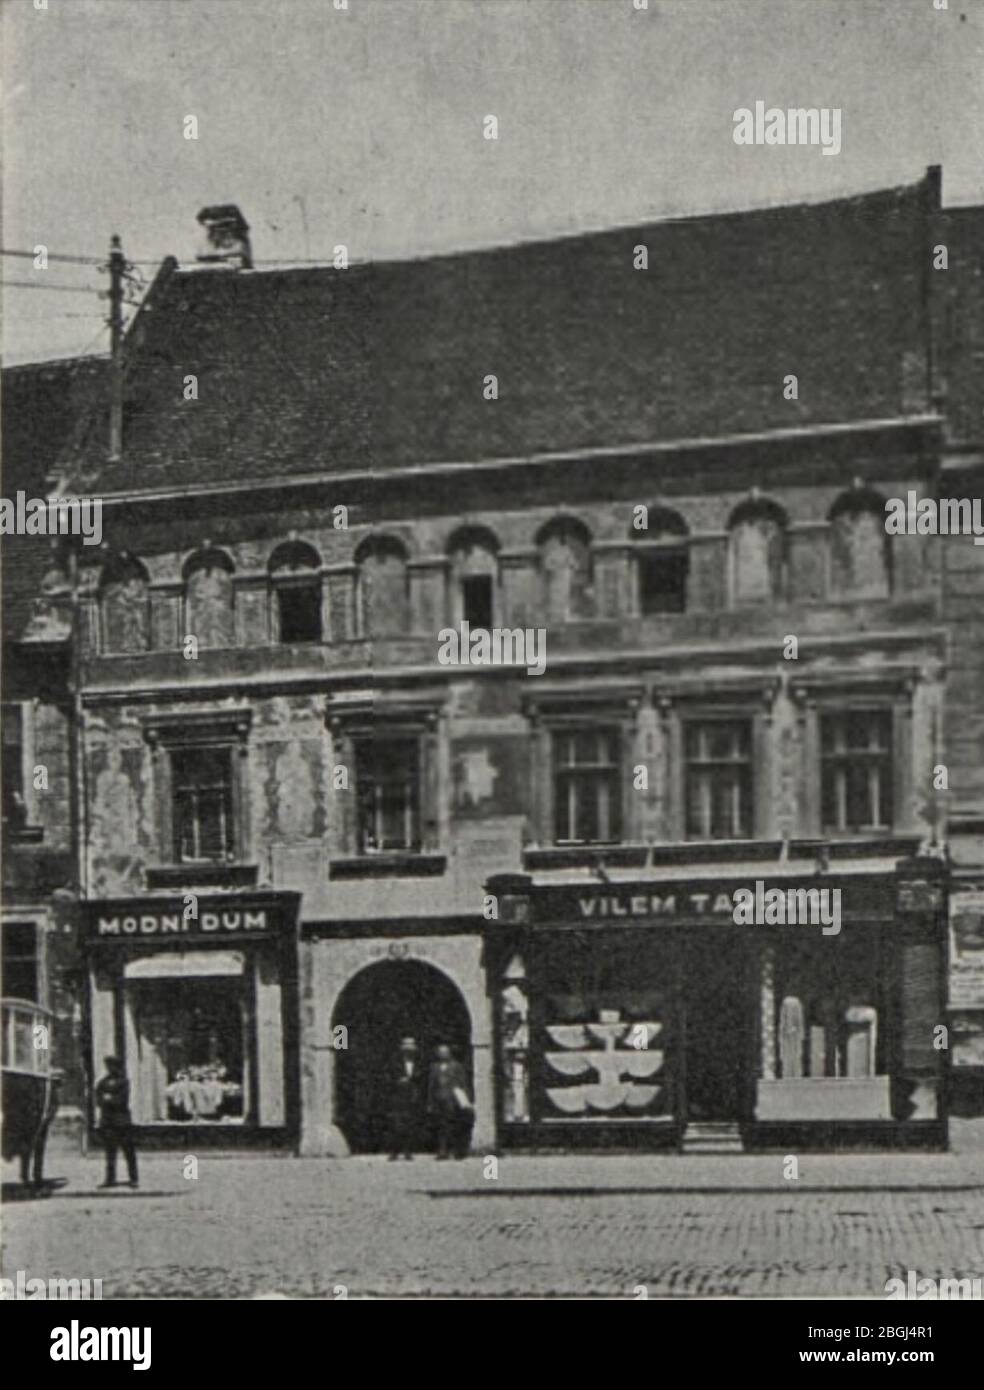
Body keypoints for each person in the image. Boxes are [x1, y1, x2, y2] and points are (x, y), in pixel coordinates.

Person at [94, 1056, 139, 1189]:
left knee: (128, 1151)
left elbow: (122, 1100)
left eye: (112, 1066)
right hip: (108, 1122)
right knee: (110, 1152)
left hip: (122, 1121)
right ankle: (110, 1179)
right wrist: (107, 1099)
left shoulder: (124, 1082)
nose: (110, 1068)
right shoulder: (102, 1082)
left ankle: (133, 1178)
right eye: (108, 1066)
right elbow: (98, 1100)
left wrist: (109, 1099)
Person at [427, 1043, 473, 1160]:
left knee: (454, 1126)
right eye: (441, 1052)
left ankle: (457, 1151)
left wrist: (465, 1100)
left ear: (449, 1053)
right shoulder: (434, 1067)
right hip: (439, 1100)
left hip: (453, 1101)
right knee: (441, 1127)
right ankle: (442, 1151)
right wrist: (430, 1102)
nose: (443, 1054)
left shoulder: (457, 1066)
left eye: (445, 1052)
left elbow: (463, 1084)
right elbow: (431, 1086)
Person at [389, 1036, 423, 1161]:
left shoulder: (419, 1063)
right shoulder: (394, 1063)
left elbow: (423, 1079)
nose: (408, 1050)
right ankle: (394, 1152)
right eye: (406, 1048)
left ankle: (408, 1151)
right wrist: (398, 1081)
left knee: (411, 1125)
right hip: (398, 1098)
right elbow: (388, 1078)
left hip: (413, 1097)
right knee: (397, 1126)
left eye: (411, 1048)